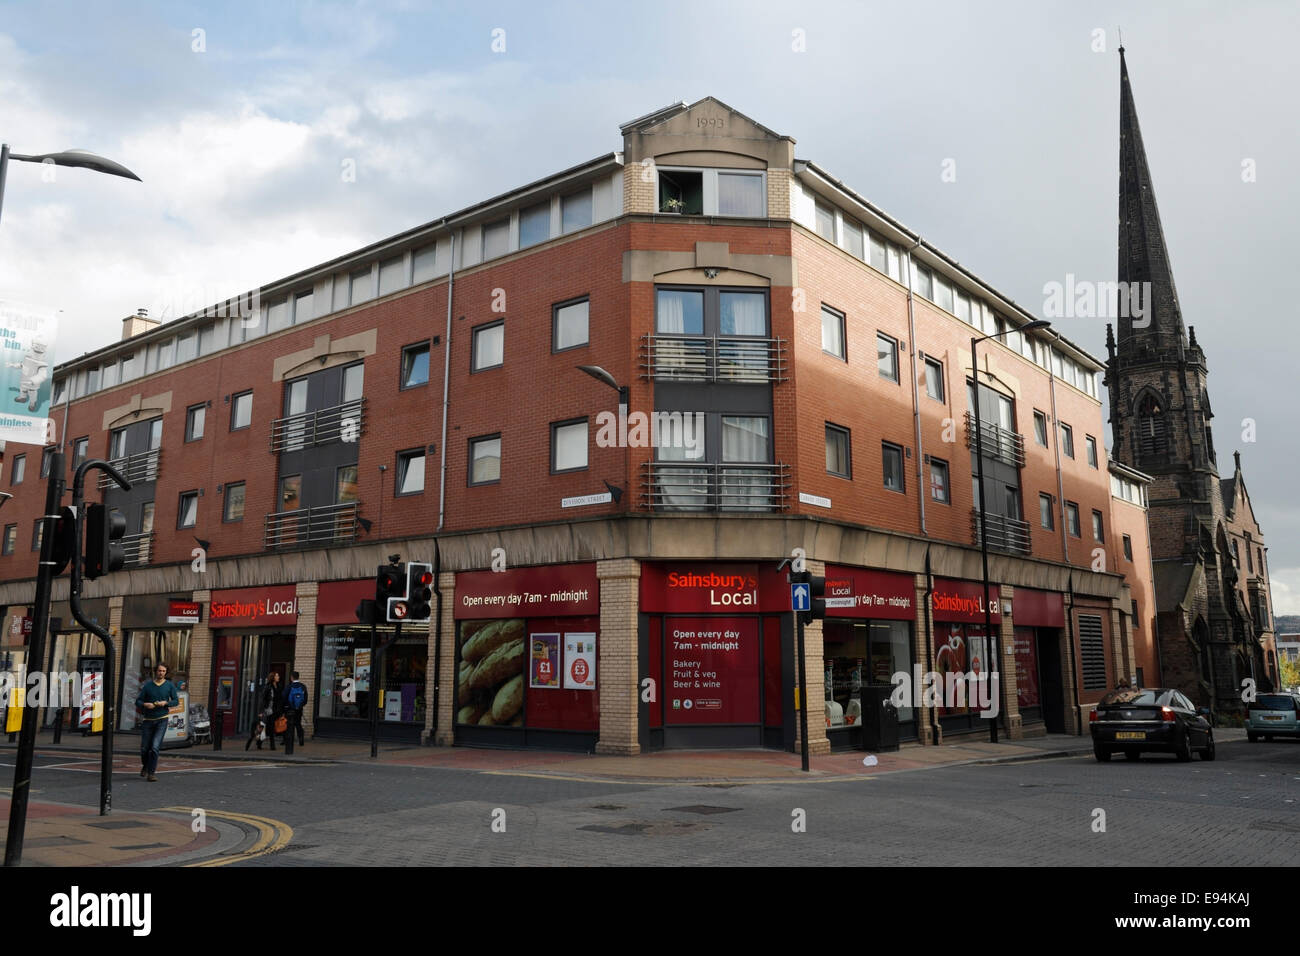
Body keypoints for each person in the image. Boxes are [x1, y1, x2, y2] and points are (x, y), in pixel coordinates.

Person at [135, 663, 178, 782]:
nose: (161, 673)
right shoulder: (148, 686)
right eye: (159, 671)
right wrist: (145, 704)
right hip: (148, 720)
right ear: (156, 672)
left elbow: (176, 701)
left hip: (162, 720)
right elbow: (138, 701)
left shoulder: (169, 686)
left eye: (163, 671)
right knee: (144, 748)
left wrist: (166, 703)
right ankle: (145, 766)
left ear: (166, 672)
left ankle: (151, 773)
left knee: (154, 747)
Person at [261, 671, 285, 751]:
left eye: (278, 676)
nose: (278, 677)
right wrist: (264, 709)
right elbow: (264, 699)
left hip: (276, 709)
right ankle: (272, 745)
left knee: (270, 727)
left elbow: (280, 699)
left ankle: (259, 742)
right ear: (273, 677)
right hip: (269, 710)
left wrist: (281, 710)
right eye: (277, 676)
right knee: (270, 727)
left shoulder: (279, 686)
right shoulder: (268, 686)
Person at [284, 671, 309, 746]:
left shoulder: (289, 686)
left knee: (289, 724)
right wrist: (300, 706)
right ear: (298, 677)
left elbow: (284, 697)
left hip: (290, 709)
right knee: (298, 724)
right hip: (299, 709)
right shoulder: (303, 686)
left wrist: (287, 706)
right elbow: (305, 699)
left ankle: (289, 740)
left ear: (291, 677)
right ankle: (301, 739)